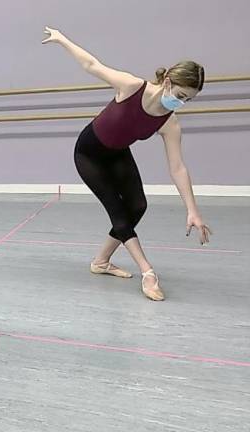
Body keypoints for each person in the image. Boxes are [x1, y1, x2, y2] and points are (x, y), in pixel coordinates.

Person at [42, 26, 212, 301]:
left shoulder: (170, 123)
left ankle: (101, 262)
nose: (181, 103)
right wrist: (61, 39)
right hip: (89, 153)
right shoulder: (132, 87)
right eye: (180, 95)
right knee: (118, 211)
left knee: (138, 206)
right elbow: (91, 64)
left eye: (187, 100)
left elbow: (177, 167)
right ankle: (148, 272)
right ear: (167, 81)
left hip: (118, 153)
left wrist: (192, 209)